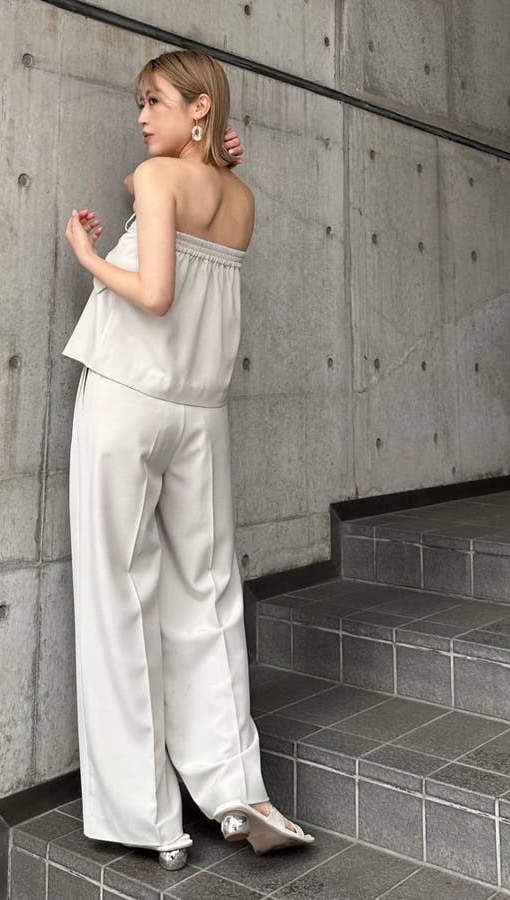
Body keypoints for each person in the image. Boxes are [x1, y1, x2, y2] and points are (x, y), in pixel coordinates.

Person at [62, 49, 314, 871]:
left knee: (118, 594)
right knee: (207, 596)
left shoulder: (155, 178)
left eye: (155, 101)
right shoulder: (240, 199)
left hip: (127, 397)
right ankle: (241, 791)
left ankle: (150, 821)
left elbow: (156, 291)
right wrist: (212, 154)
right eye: (139, 103)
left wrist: (88, 257)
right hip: (201, 415)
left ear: (200, 106)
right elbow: (190, 215)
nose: (141, 117)